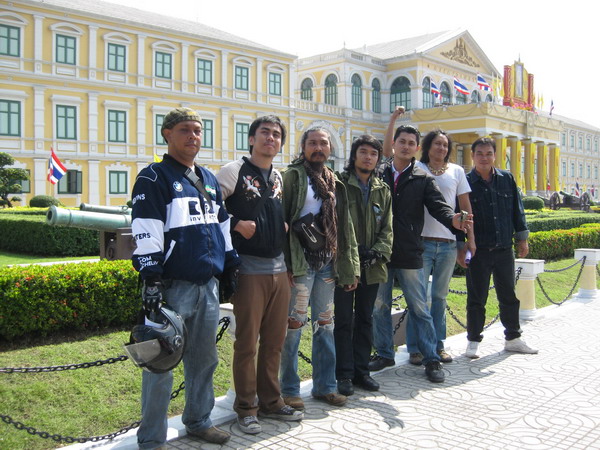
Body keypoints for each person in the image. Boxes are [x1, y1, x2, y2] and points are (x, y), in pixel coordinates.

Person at [131, 107, 239, 448]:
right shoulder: (153, 177)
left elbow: (222, 224)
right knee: (160, 365)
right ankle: (152, 439)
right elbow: (146, 229)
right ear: (167, 134)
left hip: (207, 285)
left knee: (204, 360)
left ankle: (198, 421)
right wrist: (151, 277)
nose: (193, 136)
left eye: (197, 130)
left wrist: (230, 264)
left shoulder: (208, 178)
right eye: (185, 130)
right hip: (171, 288)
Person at [216, 115, 303, 435]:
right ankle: (246, 408)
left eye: (276, 134)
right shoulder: (233, 171)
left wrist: (279, 227)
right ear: (251, 139)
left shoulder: (277, 176)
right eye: (264, 133)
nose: (271, 138)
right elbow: (207, 207)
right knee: (247, 344)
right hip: (249, 269)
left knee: (274, 342)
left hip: (278, 269)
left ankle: (271, 401)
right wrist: (235, 223)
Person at [369, 121, 471, 383]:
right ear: (394, 144)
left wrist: (453, 220)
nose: (406, 146)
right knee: (380, 306)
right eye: (402, 141)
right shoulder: (378, 172)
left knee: (419, 306)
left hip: (410, 250)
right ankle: (384, 353)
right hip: (380, 252)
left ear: (416, 148)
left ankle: (431, 358)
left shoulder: (422, 177)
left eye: (411, 143)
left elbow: (438, 206)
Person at [280, 126, 360, 409]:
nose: (318, 148)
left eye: (323, 143)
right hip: (301, 262)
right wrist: (286, 264)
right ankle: (289, 390)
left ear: (330, 148)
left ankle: (325, 387)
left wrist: (351, 266)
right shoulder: (292, 177)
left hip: (328, 262)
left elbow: (345, 226)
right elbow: (282, 222)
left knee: (325, 324)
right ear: (303, 147)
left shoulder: (334, 181)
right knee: (294, 325)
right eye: (312, 143)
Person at [405, 129, 476, 366]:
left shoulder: (456, 171)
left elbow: (465, 207)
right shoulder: (416, 168)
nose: (441, 148)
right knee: (418, 298)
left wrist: (469, 239)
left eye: (445, 145)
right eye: (437, 144)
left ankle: (438, 345)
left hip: (448, 243)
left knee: (439, 297)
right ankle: (415, 348)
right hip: (421, 242)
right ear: (427, 146)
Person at [462, 137, 538, 358]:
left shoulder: (507, 179)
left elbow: (517, 210)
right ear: (472, 156)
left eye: (488, 153)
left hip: (504, 248)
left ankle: (513, 338)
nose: (484, 158)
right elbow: (461, 216)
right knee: (476, 298)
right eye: (479, 154)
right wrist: (462, 246)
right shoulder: (465, 182)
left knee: (508, 296)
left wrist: (522, 238)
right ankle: (473, 341)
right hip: (478, 251)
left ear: (495, 156)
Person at [334, 135, 393, 396]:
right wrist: (351, 253)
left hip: (372, 264)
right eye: (363, 152)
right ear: (354, 155)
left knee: (365, 319)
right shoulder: (340, 184)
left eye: (373, 153)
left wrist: (377, 252)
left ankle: (362, 371)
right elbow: (333, 222)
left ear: (378, 159)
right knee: (343, 320)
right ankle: (344, 374)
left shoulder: (382, 189)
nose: (368, 157)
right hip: (345, 264)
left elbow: (388, 227)